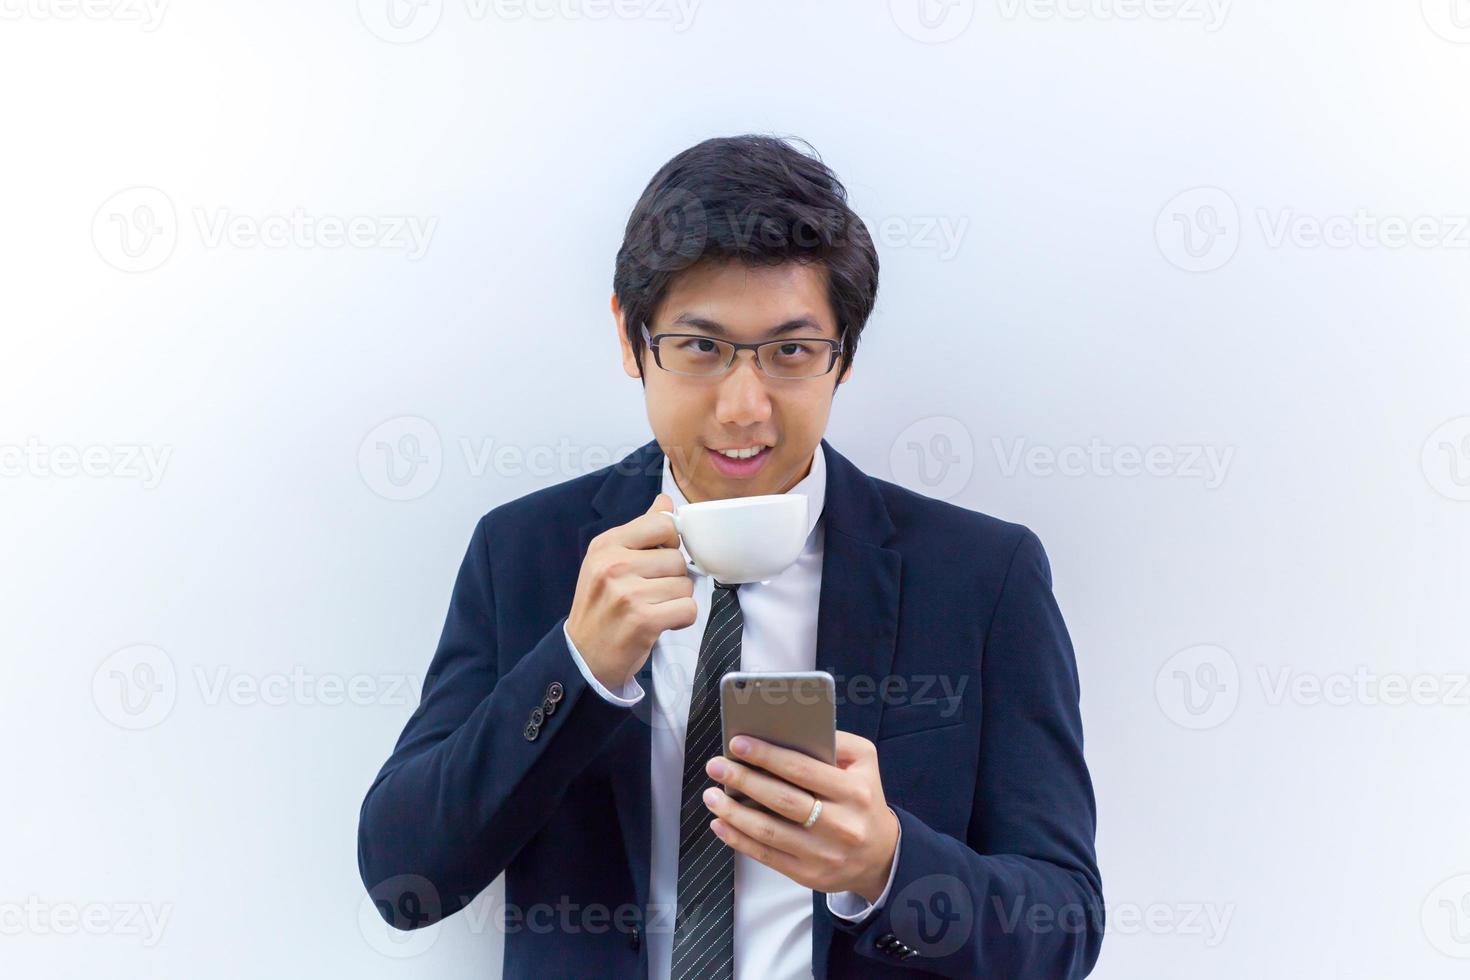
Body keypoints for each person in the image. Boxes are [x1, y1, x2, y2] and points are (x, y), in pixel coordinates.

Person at [357, 134, 1103, 979]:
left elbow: (1065, 926)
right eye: (701, 347)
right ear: (631, 339)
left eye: (789, 352)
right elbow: (401, 879)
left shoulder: (981, 578)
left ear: (843, 357)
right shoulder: (526, 551)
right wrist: (574, 666)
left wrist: (887, 866)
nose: (743, 409)